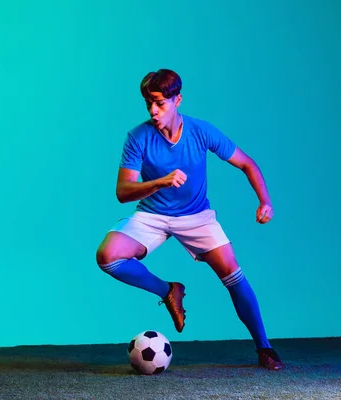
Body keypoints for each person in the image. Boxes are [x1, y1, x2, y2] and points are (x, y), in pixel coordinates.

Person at [95, 69, 285, 371]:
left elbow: (247, 163)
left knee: (233, 274)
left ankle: (265, 347)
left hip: (197, 216)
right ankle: (168, 291)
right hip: (152, 215)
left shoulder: (201, 131)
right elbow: (123, 191)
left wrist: (265, 201)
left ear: (177, 100)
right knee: (108, 256)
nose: (153, 111)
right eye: (148, 104)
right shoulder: (138, 137)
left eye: (159, 103)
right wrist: (159, 182)